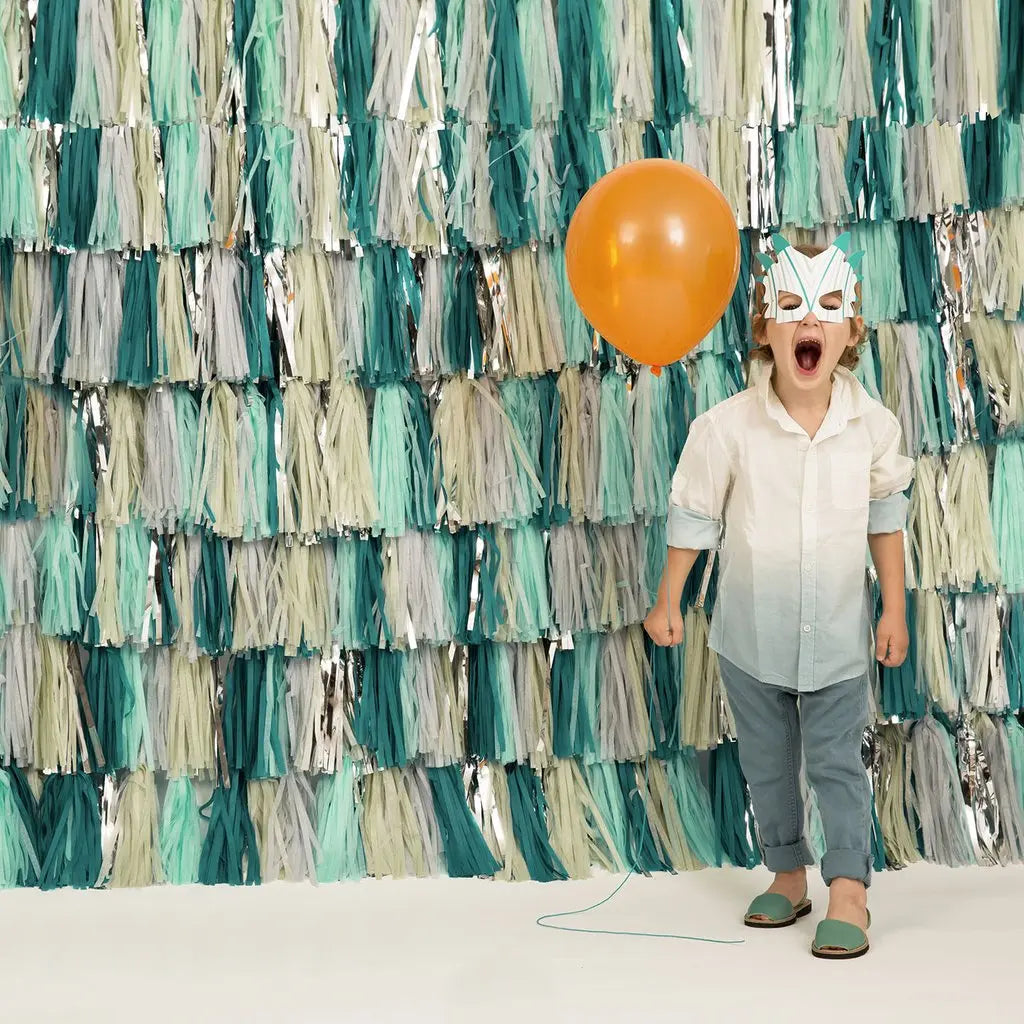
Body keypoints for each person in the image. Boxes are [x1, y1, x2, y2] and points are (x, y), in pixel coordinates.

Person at [644, 234, 914, 960]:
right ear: (765, 328)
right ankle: (788, 873)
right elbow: (694, 517)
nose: (810, 321)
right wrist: (669, 599)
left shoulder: (872, 427)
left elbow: (885, 519)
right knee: (766, 765)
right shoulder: (726, 427)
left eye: (827, 308)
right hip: (751, 637)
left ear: (851, 330)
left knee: (835, 763)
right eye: (791, 305)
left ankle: (849, 888)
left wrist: (894, 608)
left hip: (838, 636)